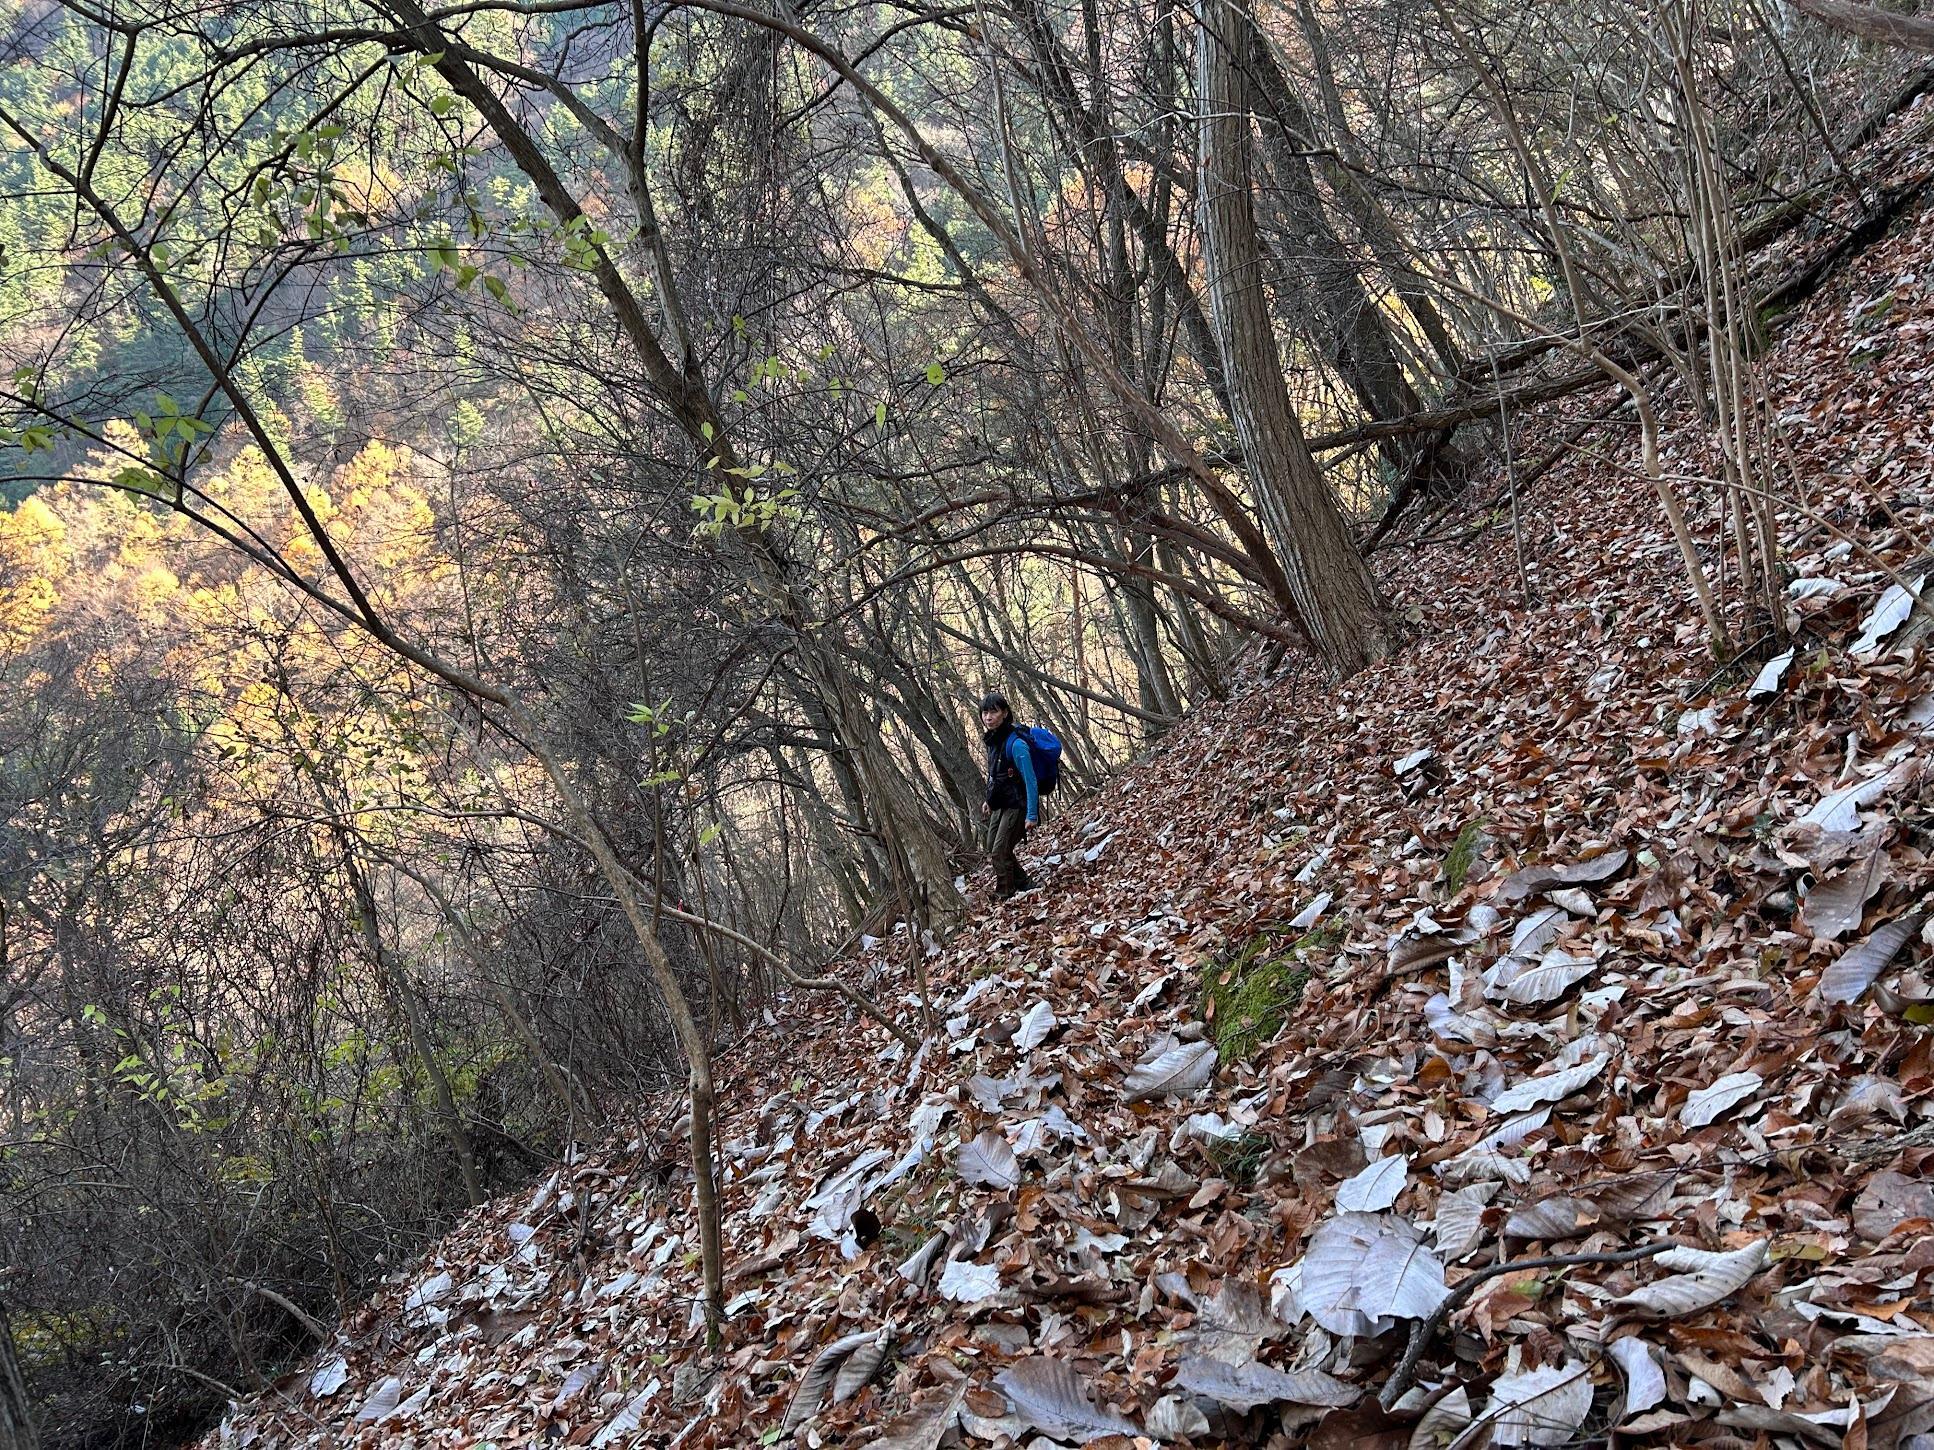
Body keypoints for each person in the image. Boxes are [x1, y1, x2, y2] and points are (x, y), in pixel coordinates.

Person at [979, 692, 1038, 898]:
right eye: (985, 712)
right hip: (1000, 803)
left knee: (1000, 850)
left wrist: (1031, 815)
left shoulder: (1016, 744)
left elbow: (1031, 781)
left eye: (993, 712)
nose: (988, 717)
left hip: (1017, 804)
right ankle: (1023, 882)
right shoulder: (993, 741)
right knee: (992, 846)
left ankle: (1006, 892)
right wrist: (988, 800)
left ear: (1004, 713)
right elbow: (995, 774)